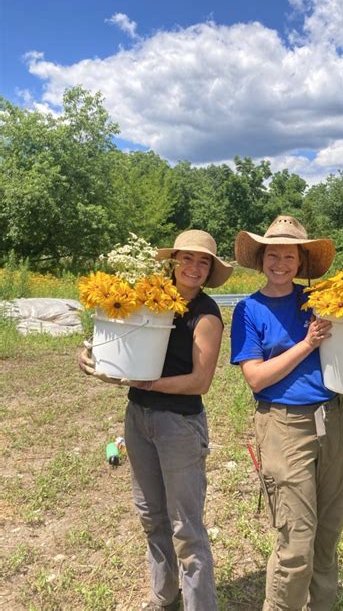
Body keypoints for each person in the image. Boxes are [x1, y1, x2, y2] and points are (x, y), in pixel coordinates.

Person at [230, 215, 343, 611]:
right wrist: (308, 343)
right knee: (296, 545)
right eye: (272, 255)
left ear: (301, 263)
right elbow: (257, 379)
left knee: (327, 538)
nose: (280, 264)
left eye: (289, 257)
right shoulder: (249, 310)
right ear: (260, 259)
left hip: (336, 420)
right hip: (284, 425)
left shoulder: (323, 299)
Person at [79, 230, 233, 611]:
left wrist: (147, 381)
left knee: (186, 526)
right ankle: (163, 596)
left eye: (203, 262)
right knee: (151, 515)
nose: (194, 268)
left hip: (179, 424)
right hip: (139, 418)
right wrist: (89, 353)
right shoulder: (147, 297)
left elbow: (201, 381)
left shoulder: (206, 314)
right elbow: (116, 336)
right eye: (187, 259)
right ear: (173, 261)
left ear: (210, 270)